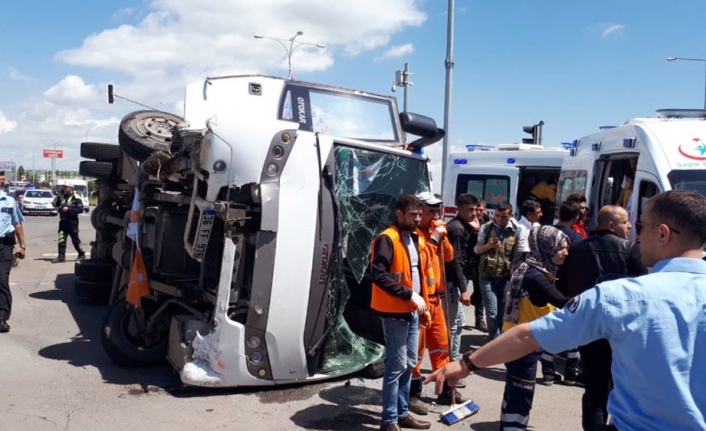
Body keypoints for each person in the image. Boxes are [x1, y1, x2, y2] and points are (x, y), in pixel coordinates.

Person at [425, 190, 706, 431]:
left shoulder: (619, 296)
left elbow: (529, 337)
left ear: (663, 233)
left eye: (641, 225)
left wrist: (465, 364)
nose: (635, 232)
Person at [565, 205, 648, 430]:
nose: (630, 226)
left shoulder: (577, 248)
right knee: (621, 387)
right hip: (621, 329)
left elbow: (563, 286)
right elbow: (645, 289)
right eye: (625, 222)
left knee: (594, 387)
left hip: (586, 327)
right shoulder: (631, 249)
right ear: (611, 225)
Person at [497, 225, 570, 429]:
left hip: (519, 340)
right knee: (522, 396)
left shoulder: (533, 267)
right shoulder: (535, 277)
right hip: (522, 345)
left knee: (513, 390)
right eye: (561, 248)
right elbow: (562, 301)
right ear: (546, 247)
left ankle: (507, 425)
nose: (566, 252)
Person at [370, 194, 432, 431]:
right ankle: (389, 420)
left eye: (419, 215)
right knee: (396, 367)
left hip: (411, 311)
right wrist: (409, 294)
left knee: (408, 364)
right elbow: (379, 275)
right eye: (413, 215)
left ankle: (402, 413)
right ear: (399, 214)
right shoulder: (388, 238)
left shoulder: (412, 238)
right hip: (395, 311)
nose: (418, 219)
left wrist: (418, 300)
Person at [408, 192, 463, 414]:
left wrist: (443, 236)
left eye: (436, 211)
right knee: (417, 352)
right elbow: (422, 258)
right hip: (420, 301)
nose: (434, 215)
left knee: (441, 346)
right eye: (430, 211)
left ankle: (446, 389)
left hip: (437, 298)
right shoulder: (414, 234)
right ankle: (412, 394)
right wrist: (434, 239)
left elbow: (448, 256)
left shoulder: (435, 231)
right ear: (419, 211)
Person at [443, 193, 479, 388]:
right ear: (459, 209)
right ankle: (450, 369)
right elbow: (456, 259)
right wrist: (463, 289)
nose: (474, 213)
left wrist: (475, 232)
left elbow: (470, 252)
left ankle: (453, 366)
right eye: (469, 210)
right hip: (452, 282)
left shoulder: (467, 227)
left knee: (458, 325)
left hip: (459, 279)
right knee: (453, 327)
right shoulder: (456, 228)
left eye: (475, 209)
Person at [474, 201, 523, 340]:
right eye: (497, 215)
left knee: (502, 312)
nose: (500, 219)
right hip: (486, 276)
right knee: (492, 312)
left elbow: (519, 255)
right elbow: (477, 249)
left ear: (510, 216)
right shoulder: (486, 228)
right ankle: (494, 340)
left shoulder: (517, 230)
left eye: (504, 216)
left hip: (506, 278)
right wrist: (489, 246)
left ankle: (501, 339)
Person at [0, 188, 26, 333]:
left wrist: (22, 246)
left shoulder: (9, 201)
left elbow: (17, 223)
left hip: (4, 245)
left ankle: (2, 318)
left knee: (2, 280)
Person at [52, 185, 86, 263]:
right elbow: (54, 204)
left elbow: (80, 209)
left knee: (75, 240)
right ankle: (61, 256)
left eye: (65, 187)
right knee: (61, 238)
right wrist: (58, 196)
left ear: (70, 188)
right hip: (63, 221)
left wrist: (69, 209)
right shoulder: (62, 196)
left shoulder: (76, 197)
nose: (64, 189)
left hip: (72, 222)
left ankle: (82, 254)